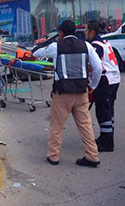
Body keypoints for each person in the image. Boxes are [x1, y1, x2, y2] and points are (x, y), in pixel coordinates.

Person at [33, 20, 103, 168]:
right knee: (86, 126)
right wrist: (92, 86)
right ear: (75, 32)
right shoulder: (87, 46)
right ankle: (92, 156)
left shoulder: (55, 47)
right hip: (81, 92)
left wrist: (42, 45)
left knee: (56, 126)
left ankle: (54, 156)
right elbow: (98, 68)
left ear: (61, 33)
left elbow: (36, 52)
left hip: (62, 94)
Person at [85, 20, 121, 152]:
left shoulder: (95, 45)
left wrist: (91, 84)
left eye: (86, 30)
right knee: (108, 110)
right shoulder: (104, 41)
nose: (85, 33)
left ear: (92, 32)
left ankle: (107, 143)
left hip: (105, 80)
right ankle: (106, 136)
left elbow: (95, 66)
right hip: (114, 79)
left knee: (103, 111)